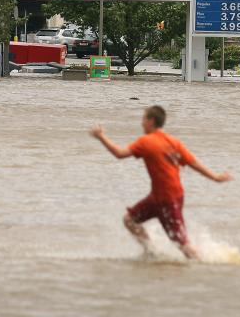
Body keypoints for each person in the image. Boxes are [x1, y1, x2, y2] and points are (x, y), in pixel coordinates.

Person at [90, 105, 232, 260]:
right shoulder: (173, 142)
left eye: (143, 119)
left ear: (151, 121)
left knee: (182, 244)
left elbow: (119, 154)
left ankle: (205, 265)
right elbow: (194, 163)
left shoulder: (146, 141)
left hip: (167, 198)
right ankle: (151, 252)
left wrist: (101, 137)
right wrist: (215, 177)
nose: (141, 123)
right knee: (129, 220)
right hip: (161, 196)